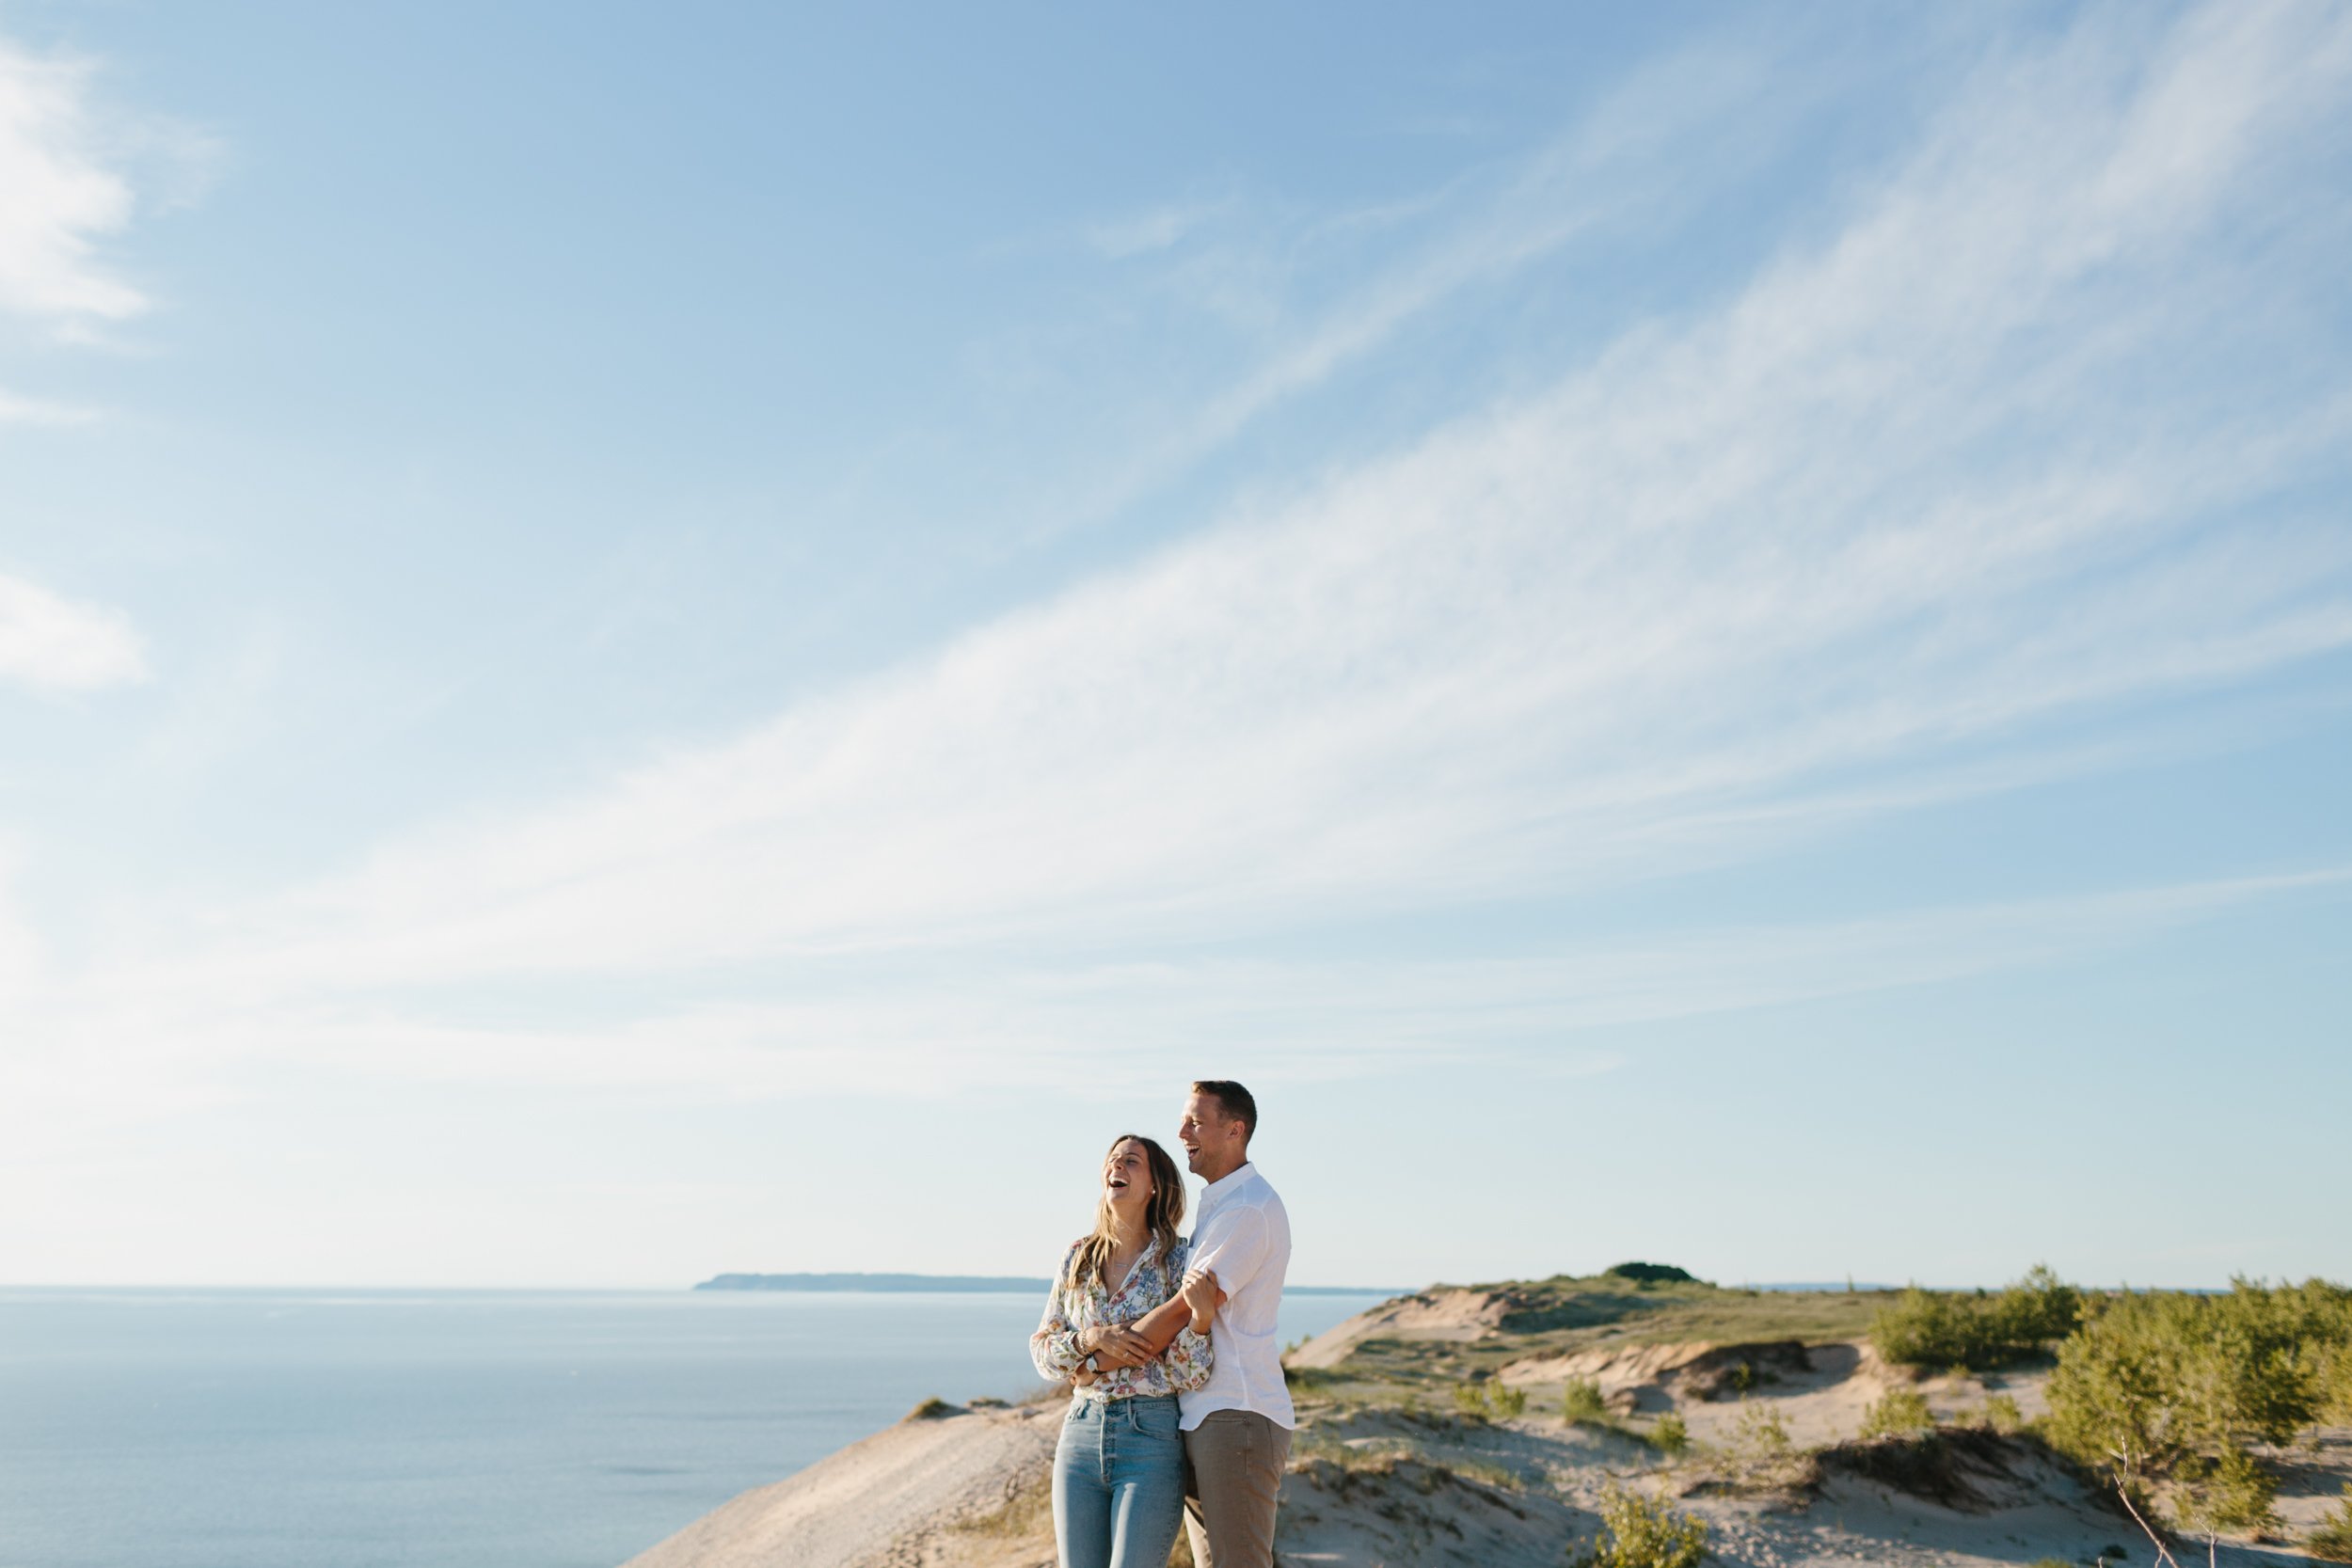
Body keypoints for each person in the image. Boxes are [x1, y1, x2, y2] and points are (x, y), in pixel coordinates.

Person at [1093, 1081, 1292, 1568]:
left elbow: (1187, 1308)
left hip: (1236, 1414)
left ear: (1235, 1130)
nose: (1182, 1131)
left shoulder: (1247, 1208)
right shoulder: (1224, 1203)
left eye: (1196, 1122)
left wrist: (1098, 1360)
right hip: (1207, 1413)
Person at [1029, 1134, 1221, 1568]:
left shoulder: (1179, 1261)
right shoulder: (1076, 1257)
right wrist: (1090, 1339)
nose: (1116, 1166)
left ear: (1154, 1185)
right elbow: (1043, 1353)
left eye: (1131, 1161)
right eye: (1112, 1160)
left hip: (1150, 1437)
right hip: (1079, 1434)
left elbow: (1188, 1375)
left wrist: (1201, 1322)